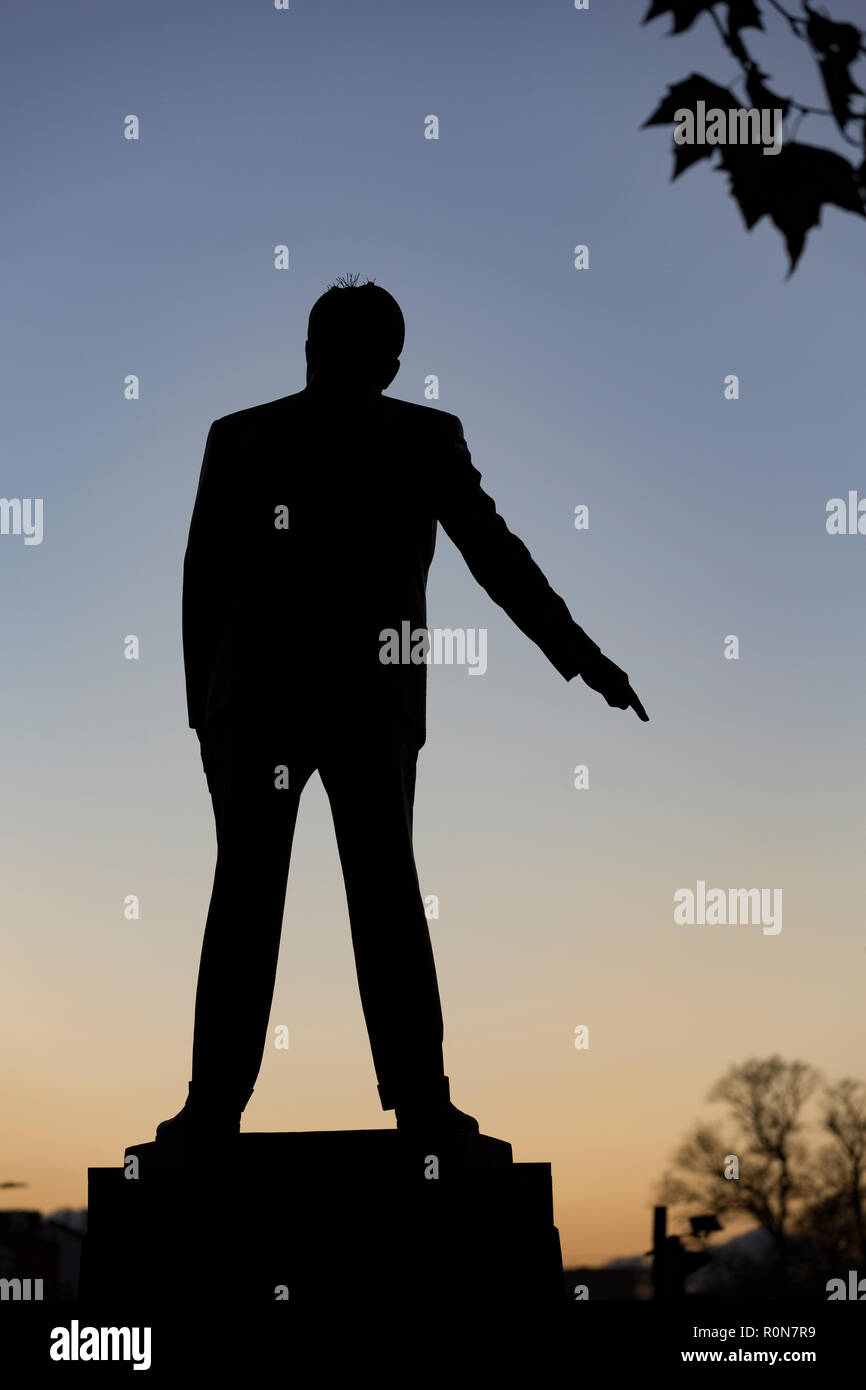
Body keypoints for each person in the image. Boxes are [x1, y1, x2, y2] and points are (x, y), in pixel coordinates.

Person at [156, 276, 647, 1142]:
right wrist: (207, 715)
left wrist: (580, 656)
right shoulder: (305, 438)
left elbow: (495, 555)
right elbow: (205, 581)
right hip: (302, 703)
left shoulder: (283, 437)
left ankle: (262, 1105)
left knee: (307, 896)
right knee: (331, 897)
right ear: (384, 359)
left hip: (306, 703)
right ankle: (369, 1102)